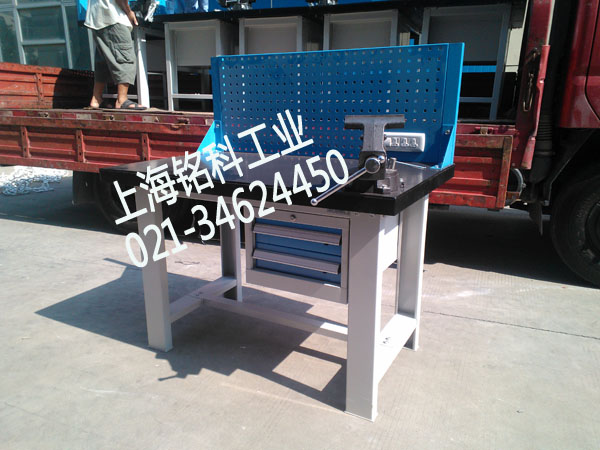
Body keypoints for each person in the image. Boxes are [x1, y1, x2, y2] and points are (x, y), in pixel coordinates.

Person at [84, 0, 146, 110]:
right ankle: (122, 100)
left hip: (98, 16)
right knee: (125, 58)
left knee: (103, 61)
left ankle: (96, 99)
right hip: (112, 16)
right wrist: (129, 12)